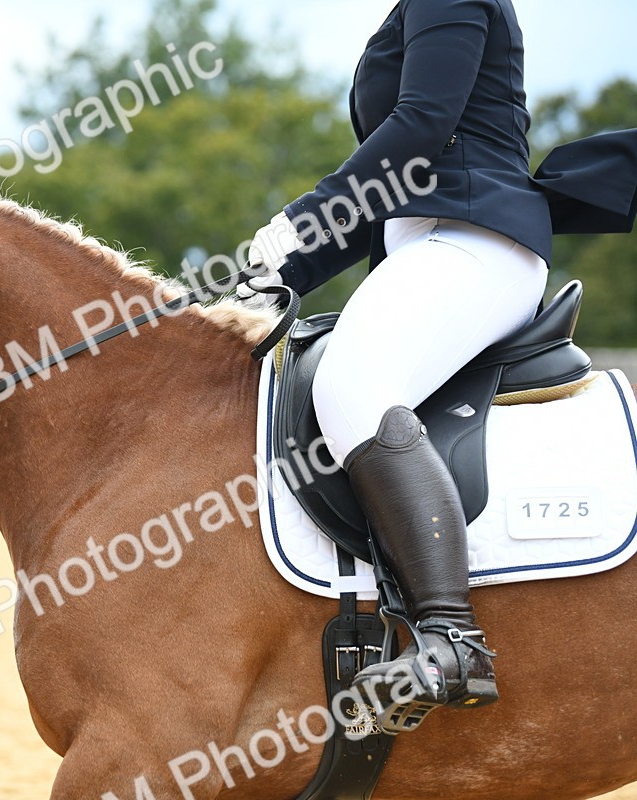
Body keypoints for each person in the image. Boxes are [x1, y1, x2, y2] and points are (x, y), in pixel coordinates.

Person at [243, 0, 637, 734]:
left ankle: (451, 640)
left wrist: (304, 215)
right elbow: (387, 196)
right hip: (427, 242)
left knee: (352, 385)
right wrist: (280, 270)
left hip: (476, 240)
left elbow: (421, 127)